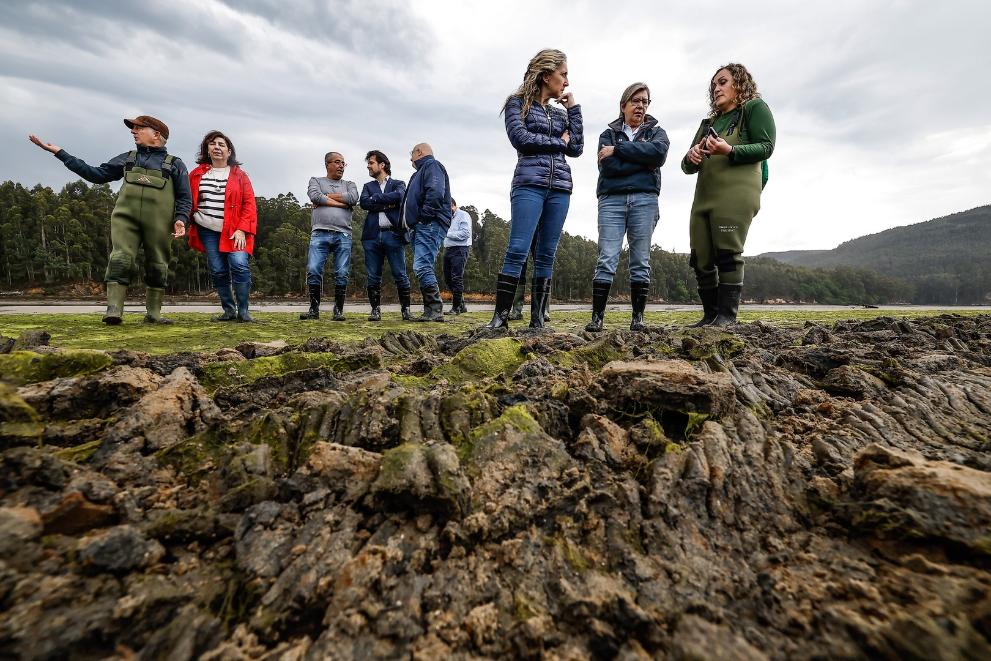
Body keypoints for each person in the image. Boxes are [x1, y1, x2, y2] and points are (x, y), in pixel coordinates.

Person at [28, 116, 191, 324]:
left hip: (160, 223)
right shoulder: (128, 158)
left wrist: (181, 220)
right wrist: (61, 153)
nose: (133, 131)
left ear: (156, 135)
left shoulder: (175, 164)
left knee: (158, 264)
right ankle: (113, 310)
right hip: (125, 219)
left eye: (139, 128)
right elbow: (96, 175)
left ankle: (154, 314)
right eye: (133, 128)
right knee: (120, 259)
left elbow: (186, 198)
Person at [486, 48, 583, 329]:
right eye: (563, 74)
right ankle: (500, 318)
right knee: (517, 249)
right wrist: (558, 142)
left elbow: (576, 147)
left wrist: (574, 110)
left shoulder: (560, 112)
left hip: (561, 187)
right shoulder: (517, 104)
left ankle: (538, 321)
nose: (566, 81)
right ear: (545, 74)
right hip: (529, 184)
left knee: (547, 254)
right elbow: (520, 138)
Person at [682, 63, 776, 326]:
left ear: (739, 83)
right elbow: (686, 166)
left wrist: (729, 150)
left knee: (727, 252)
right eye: (713, 85)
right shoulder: (709, 123)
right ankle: (710, 315)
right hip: (704, 195)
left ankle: (726, 317)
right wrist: (692, 156)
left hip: (736, 192)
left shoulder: (754, 108)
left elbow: (766, 146)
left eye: (722, 82)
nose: (716, 88)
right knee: (700, 257)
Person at [586, 82, 670, 332]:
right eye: (636, 101)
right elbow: (609, 168)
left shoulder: (658, 133)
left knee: (640, 260)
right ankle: (597, 318)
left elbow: (658, 155)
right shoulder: (607, 135)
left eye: (645, 101)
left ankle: (638, 319)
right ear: (623, 106)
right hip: (611, 200)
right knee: (607, 258)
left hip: (645, 200)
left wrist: (620, 151)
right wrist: (642, 162)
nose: (641, 106)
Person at [187, 131, 258, 322]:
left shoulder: (240, 176)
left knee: (239, 264)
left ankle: (243, 311)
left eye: (221, 144)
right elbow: (187, 200)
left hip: (235, 230)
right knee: (218, 269)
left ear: (229, 151)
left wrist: (242, 229)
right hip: (207, 229)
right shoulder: (196, 174)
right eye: (212, 144)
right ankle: (228, 311)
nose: (217, 147)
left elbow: (249, 204)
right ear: (207, 150)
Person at [301, 152, 359, 321]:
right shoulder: (316, 181)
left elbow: (353, 198)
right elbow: (315, 196)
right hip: (320, 232)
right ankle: (314, 309)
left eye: (343, 163)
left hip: (343, 234)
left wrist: (326, 198)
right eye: (337, 162)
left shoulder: (350, 184)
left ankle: (338, 310)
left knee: (342, 272)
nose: (341, 165)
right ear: (327, 164)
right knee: (313, 270)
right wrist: (343, 203)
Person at [401, 142, 451, 322]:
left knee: (422, 266)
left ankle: (435, 309)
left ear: (419, 152)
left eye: (411, 155)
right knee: (422, 265)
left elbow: (436, 192)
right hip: (421, 225)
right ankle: (430, 310)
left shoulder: (432, 166)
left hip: (429, 224)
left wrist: (424, 218)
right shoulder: (420, 172)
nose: (410, 159)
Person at [359, 150, 411, 321]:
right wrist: (388, 204)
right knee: (373, 275)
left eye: (371, 163)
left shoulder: (398, 183)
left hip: (393, 235)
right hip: (372, 236)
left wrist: (377, 199)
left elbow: (400, 196)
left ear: (382, 165)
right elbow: (365, 203)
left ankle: (406, 311)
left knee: (400, 273)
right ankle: (375, 310)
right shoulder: (368, 186)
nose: (368, 166)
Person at [443, 198, 472, 314]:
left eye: (448, 207)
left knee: (456, 278)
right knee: (447, 278)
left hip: (460, 249)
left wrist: (447, 234)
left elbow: (465, 233)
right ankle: (462, 305)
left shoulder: (463, 215)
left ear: (453, 205)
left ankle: (455, 308)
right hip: (448, 249)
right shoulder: (446, 218)